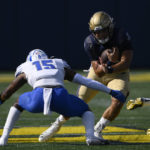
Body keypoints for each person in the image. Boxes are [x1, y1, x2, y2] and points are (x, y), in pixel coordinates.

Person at [0, 49, 125, 146]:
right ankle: (90, 136)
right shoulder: (58, 63)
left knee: (18, 103)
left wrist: (1, 99)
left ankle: (4, 138)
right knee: (86, 110)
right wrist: (111, 92)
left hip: (37, 98)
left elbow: (9, 91)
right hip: (60, 97)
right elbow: (86, 82)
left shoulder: (26, 66)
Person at [42, 11, 133, 140]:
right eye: (96, 32)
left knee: (118, 100)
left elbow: (126, 62)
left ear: (110, 28)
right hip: (99, 73)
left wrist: (111, 66)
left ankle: (98, 129)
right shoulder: (90, 42)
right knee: (78, 101)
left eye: (102, 31)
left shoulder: (121, 36)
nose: (99, 35)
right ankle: (57, 124)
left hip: (119, 74)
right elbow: (98, 72)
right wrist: (108, 66)